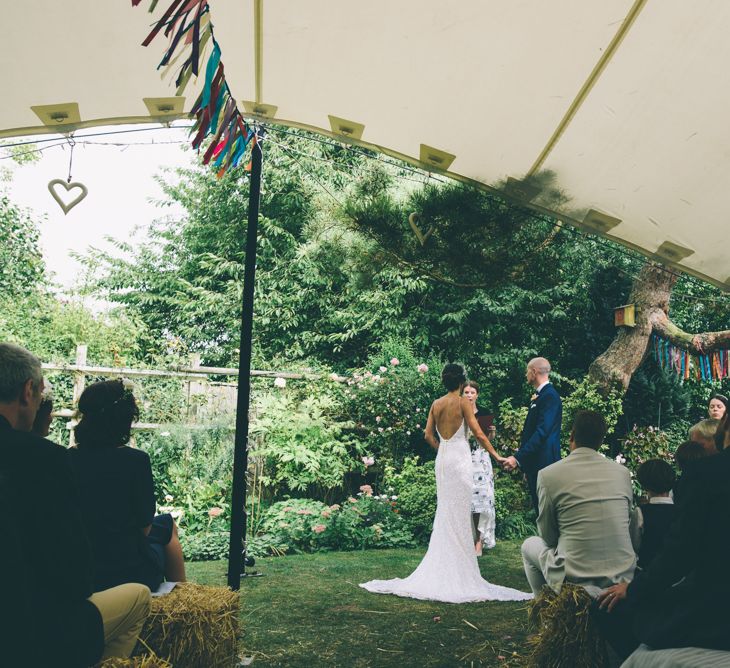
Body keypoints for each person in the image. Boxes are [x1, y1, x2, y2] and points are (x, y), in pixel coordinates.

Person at [0, 343, 151, 666]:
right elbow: (75, 573)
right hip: (29, 628)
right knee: (138, 595)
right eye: (40, 393)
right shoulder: (41, 458)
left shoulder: (65, 457)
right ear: (28, 392)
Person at [360, 364, 531, 603]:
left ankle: (444, 562)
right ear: (462, 382)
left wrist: (443, 450)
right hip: (460, 458)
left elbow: (428, 435)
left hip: (444, 460)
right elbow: (479, 434)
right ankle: (460, 566)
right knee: (459, 512)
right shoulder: (463, 403)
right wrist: (497, 456)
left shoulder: (436, 404)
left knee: (446, 510)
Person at [597, 411, 730, 660]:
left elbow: (680, 553)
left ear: (725, 422)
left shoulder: (706, 473)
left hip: (716, 611)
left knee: (607, 609)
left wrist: (634, 589)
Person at [68, 379, 186, 592]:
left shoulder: (66, 459)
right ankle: (185, 599)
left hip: (80, 571)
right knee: (167, 525)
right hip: (129, 572)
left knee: (165, 523)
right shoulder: (136, 461)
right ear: (124, 420)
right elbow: (145, 527)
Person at [521, 410, 635, 597]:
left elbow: (548, 536)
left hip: (574, 575)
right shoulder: (622, 473)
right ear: (601, 440)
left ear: (572, 435)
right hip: (621, 574)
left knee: (529, 545)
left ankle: (546, 611)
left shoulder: (549, 474)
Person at [503, 357, 562, 512]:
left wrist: (518, 458)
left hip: (544, 463)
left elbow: (542, 432)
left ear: (534, 372)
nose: (526, 374)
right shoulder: (541, 395)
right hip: (536, 462)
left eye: (527, 371)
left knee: (546, 510)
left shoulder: (549, 396)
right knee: (540, 510)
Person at [463, 380, 496, 556]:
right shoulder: (458, 413)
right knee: (467, 500)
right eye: (466, 392)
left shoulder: (484, 413)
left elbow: (487, 439)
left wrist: (492, 433)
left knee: (483, 499)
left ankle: (480, 540)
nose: (469, 395)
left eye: (472, 392)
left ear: (477, 395)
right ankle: (467, 538)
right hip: (464, 458)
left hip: (481, 460)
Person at [630, 459, 676, 570]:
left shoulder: (640, 512)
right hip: (676, 573)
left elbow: (634, 545)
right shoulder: (682, 511)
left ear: (644, 484)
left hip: (646, 570)